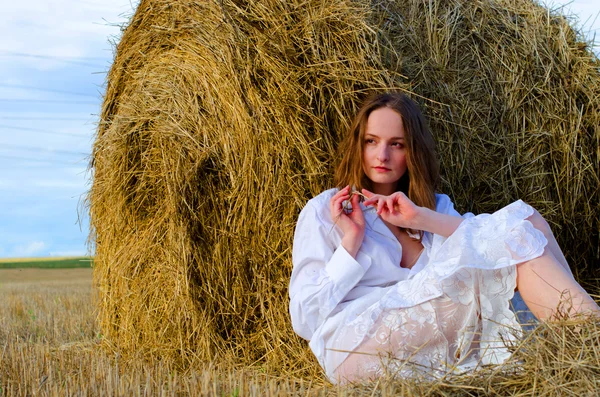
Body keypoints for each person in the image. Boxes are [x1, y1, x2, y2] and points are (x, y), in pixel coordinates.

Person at [288, 92, 600, 384]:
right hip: (355, 349)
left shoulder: (435, 207)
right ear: (359, 145)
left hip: (434, 339)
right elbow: (304, 318)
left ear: (414, 150)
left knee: (527, 220)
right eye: (372, 141)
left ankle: (583, 343)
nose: (382, 155)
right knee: (515, 230)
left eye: (397, 144)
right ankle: (589, 341)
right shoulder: (325, 212)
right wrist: (351, 240)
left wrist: (420, 218)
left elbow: (483, 245)